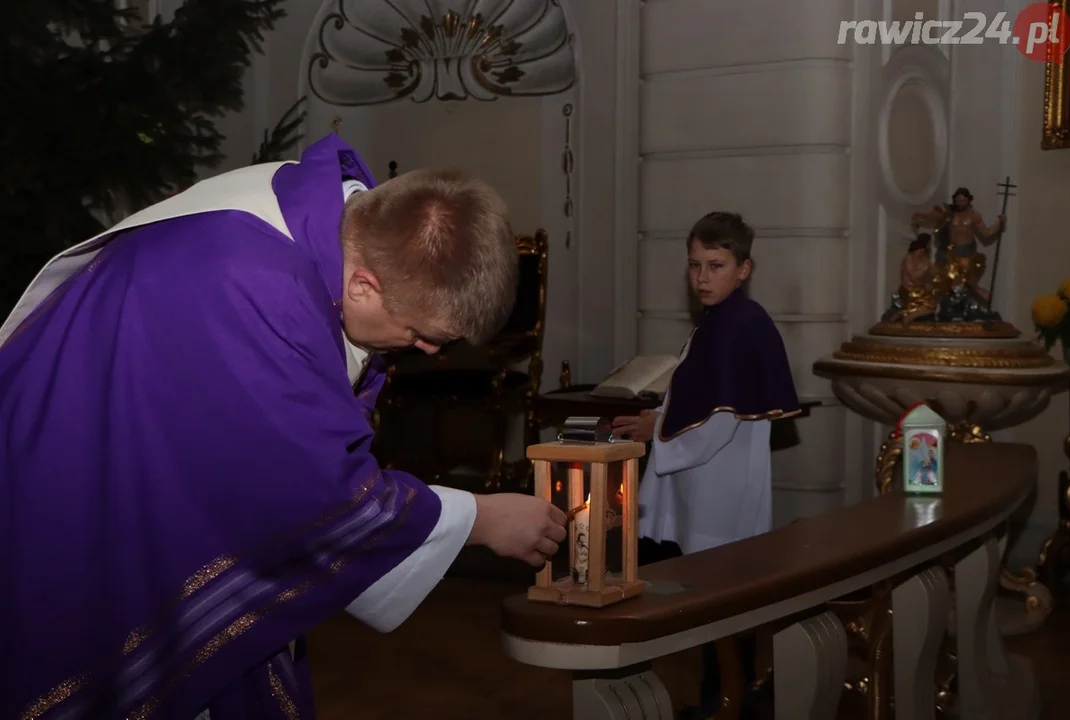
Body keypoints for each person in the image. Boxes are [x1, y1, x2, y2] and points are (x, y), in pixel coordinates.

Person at [0, 133, 567, 719]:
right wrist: (479, 518)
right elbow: (314, 496)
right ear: (364, 286)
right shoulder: (254, 287)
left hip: (132, 461)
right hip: (72, 494)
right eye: (423, 334)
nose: (423, 349)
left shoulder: (328, 216)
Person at [612, 211, 800, 720]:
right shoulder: (729, 321)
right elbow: (703, 398)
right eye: (695, 265)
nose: (702, 278)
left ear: (744, 268)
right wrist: (662, 415)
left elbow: (717, 422)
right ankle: (721, 698)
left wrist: (659, 431)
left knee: (723, 602)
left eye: (715, 265)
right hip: (714, 483)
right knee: (717, 603)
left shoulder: (736, 325)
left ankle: (725, 703)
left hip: (719, 490)